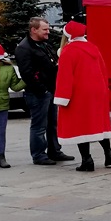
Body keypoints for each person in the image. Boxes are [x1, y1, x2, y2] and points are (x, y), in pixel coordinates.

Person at [54, 21, 111, 172]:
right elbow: (103, 71)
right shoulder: (93, 48)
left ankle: (87, 160)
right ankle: (109, 153)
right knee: (98, 123)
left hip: (79, 93)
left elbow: (65, 77)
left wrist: (62, 97)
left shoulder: (68, 51)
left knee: (80, 125)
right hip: (97, 90)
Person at [15, 17, 74, 165]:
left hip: (51, 90)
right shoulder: (24, 48)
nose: (48, 32)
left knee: (52, 123)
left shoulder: (44, 44)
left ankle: (54, 151)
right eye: (45, 29)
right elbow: (27, 73)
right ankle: (39, 155)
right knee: (39, 125)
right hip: (38, 94)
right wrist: (42, 90)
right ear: (34, 30)